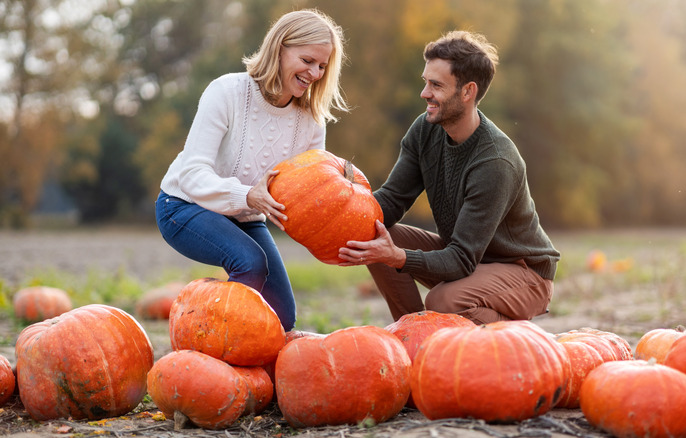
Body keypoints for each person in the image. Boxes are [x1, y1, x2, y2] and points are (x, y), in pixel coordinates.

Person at [338, 30, 560, 325]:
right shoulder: (425, 130)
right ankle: (413, 338)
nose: (425, 93)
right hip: (469, 259)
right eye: (425, 82)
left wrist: (398, 257)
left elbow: (461, 259)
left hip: (522, 273)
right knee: (378, 232)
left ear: (467, 92)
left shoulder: (495, 161)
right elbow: (391, 200)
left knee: (443, 301)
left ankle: (515, 338)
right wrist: (342, 214)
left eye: (436, 85)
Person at [155, 9, 348, 331]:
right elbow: (191, 174)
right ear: (280, 49)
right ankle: (218, 353)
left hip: (244, 217)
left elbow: (310, 193)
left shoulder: (311, 122)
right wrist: (248, 195)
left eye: (322, 66)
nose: (314, 72)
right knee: (250, 263)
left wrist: (338, 233)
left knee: (282, 318)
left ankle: (245, 359)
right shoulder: (227, 92)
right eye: (307, 60)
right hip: (183, 206)